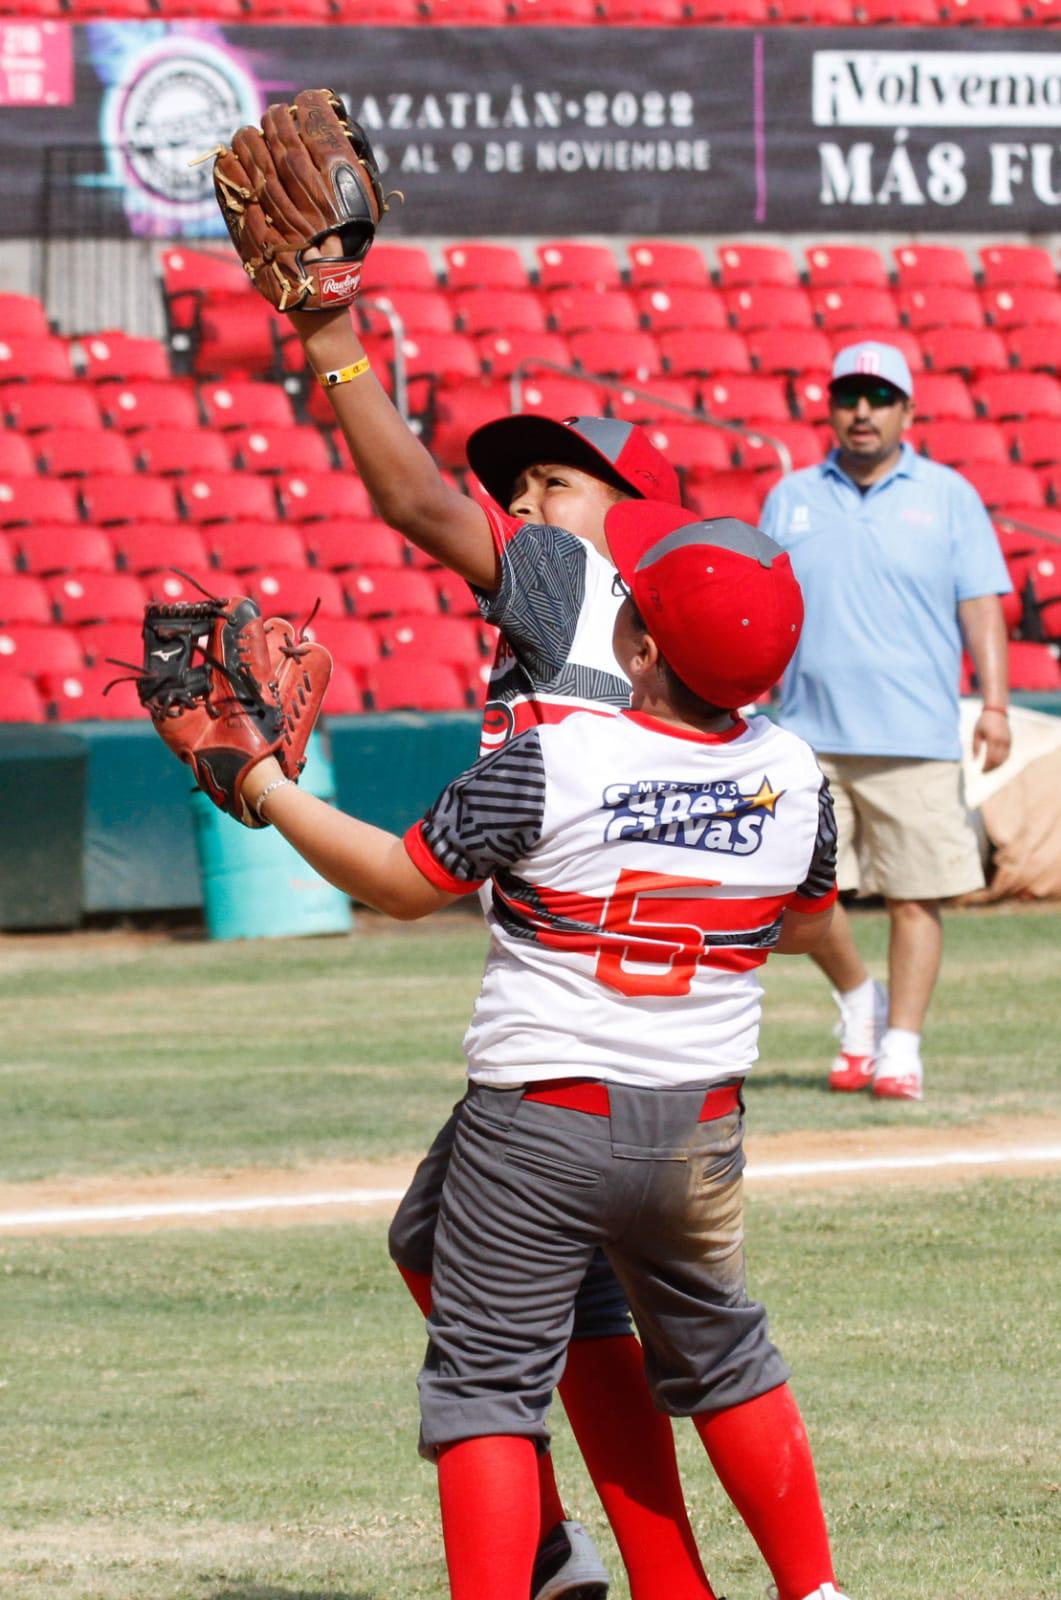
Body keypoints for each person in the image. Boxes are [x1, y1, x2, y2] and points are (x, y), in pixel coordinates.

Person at [234, 502, 850, 1600]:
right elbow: (802, 921)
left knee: (483, 1389)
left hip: (543, 1117)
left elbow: (399, 883)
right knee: (723, 1357)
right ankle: (813, 1590)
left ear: (644, 651)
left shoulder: (555, 754)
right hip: (696, 1128)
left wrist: (264, 785)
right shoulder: (798, 776)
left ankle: (546, 1567)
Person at [287, 298, 719, 1600]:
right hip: (653, 1015)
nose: (535, 497)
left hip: (576, 1019)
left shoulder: (561, 573)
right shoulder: (642, 639)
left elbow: (416, 499)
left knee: (465, 1276)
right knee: (511, 1269)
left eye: (559, 477)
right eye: (534, 480)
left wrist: (331, 338)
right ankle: (598, 1565)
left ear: (580, 497)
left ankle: (549, 1557)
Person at [759, 340, 1013, 1102]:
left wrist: (995, 704)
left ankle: (899, 1045)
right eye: (848, 397)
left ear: (906, 410)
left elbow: (980, 605)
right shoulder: (790, 495)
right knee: (793, 894)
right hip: (805, 735)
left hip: (914, 734)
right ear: (830, 407)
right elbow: (763, 605)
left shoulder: (947, 495)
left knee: (915, 894)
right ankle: (856, 998)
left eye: (877, 398)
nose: (861, 412)